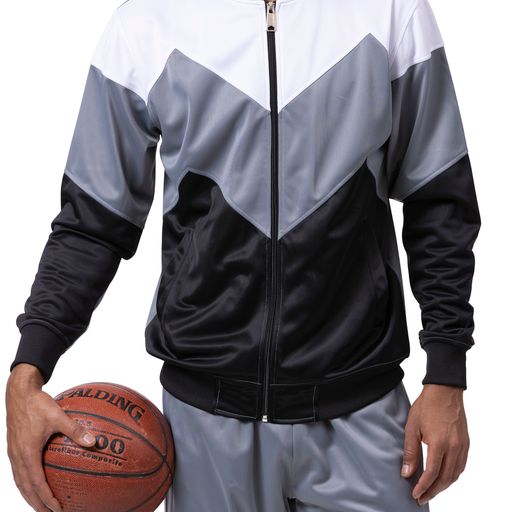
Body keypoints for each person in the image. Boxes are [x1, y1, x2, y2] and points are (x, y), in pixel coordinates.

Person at [6, 0, 481, 510]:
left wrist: (446, 372)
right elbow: (93, 223)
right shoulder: (145, 21)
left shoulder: (391, 10)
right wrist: (29, 367)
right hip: (205, 424)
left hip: (362, 403)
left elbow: (439, 199)